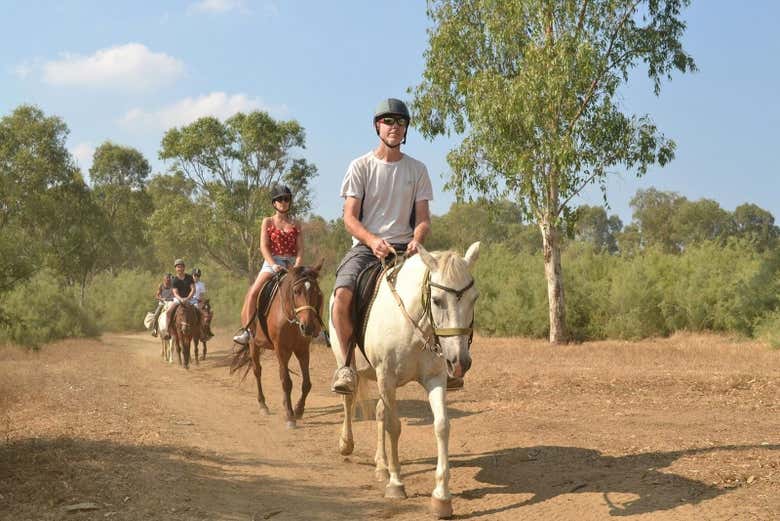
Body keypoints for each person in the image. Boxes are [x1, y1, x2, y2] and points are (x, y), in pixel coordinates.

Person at [330, 98, 433, 394]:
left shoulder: (418, 170)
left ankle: (442, 362)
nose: (395, 127)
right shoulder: (360, 166)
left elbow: (424, 220)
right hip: (367, 247)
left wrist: (417, 240)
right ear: (377, 126)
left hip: (406, 248)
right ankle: (347, 365)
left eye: (401, 122)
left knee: (442, 289)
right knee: (342, 295)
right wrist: (372, 240)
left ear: (406, 129)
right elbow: (349, 218)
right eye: (389, 121)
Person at [232, 185, 304, 345]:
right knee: (253, 292)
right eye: (280, 199)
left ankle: (318, 328)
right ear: (274, 203)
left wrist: (298, 265)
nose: (283, 202)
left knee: (311, 287)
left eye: (286, 199)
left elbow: (300, 249)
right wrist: (273, 265)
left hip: (292, 263)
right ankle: (247, 331)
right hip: (273, 262)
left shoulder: (296, 223)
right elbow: (264, 247)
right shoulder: (268, 221)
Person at [164, 258, 195, 339]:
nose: (180, 269)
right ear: (175, 268)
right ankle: (167, 330)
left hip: (189, 298)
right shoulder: (174, 280)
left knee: (198, 311)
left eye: (181, 267)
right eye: (178, 267)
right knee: (168, 312)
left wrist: (188, 298)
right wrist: (181, 299)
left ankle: (199, 330)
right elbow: (175, 292)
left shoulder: (189, 277)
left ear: (184, 267)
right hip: (178, 299)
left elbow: (193, 289)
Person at [190, 267, 214, 339]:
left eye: (198, 276)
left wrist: (202, 301)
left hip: (198, 301)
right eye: (195, 275)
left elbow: (201, 295)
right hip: (189, 301)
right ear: (192, 275)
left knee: (209, 312)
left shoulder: (201, 284)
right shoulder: (188, 283)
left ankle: (207, 330)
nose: (196, 277)